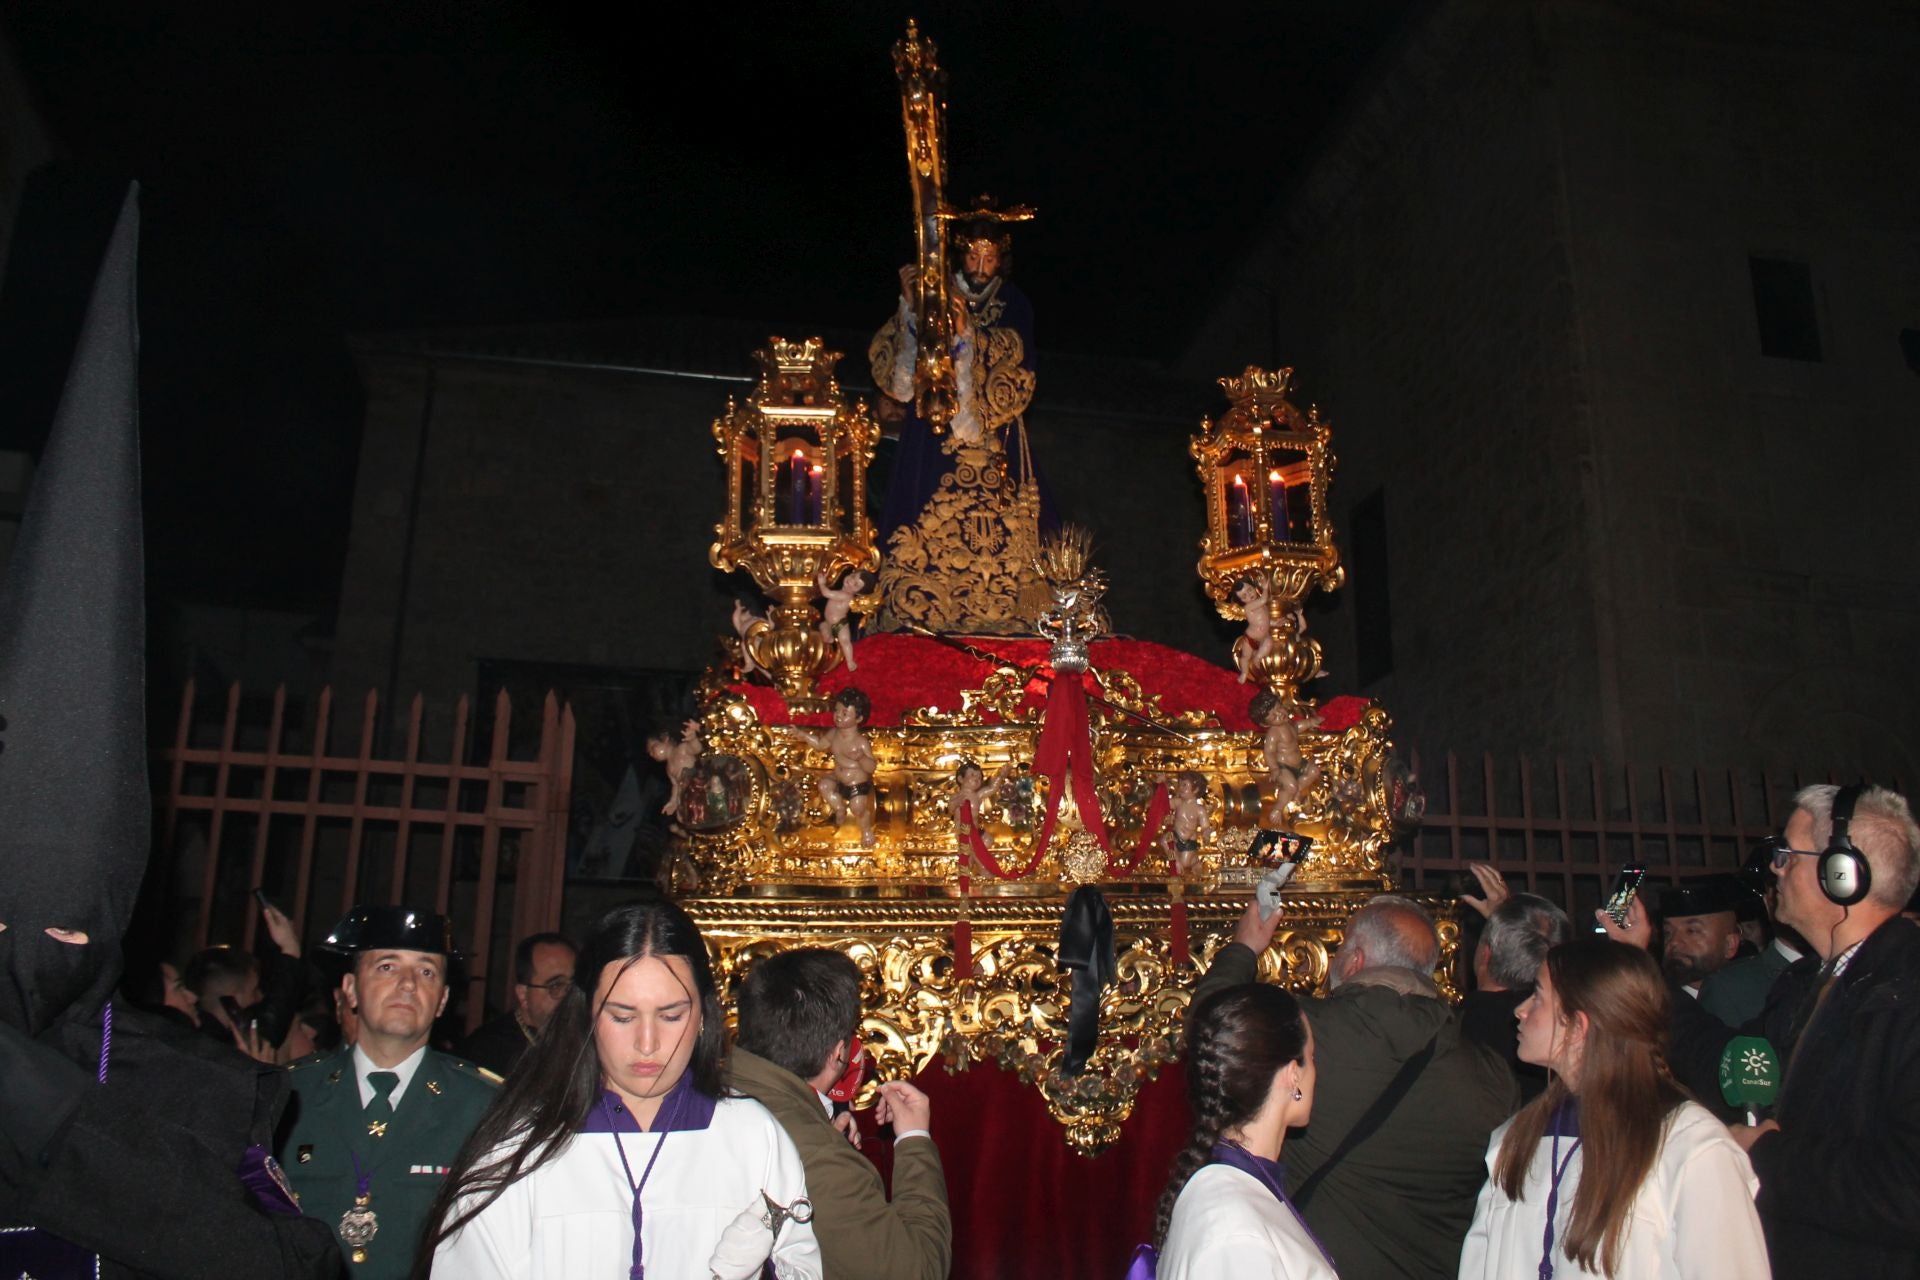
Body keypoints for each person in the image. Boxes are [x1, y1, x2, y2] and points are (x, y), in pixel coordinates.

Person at [420, 891, 820, 1278]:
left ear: (702, 1015)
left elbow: (802, 1264)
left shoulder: (752, 1136)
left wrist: (765, 1272)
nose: (647, 1044)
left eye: (670, 1015)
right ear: (588, 1014)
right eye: (622, 1016)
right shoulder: (519, 1148)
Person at [1199, 894, 1517, 1280]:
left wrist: (1244, 947)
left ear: (1355, 960)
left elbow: (1212, 1027)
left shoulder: (1306, 1035)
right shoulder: (1494, 1077)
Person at [1458, 938, 1767, 1279]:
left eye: (1539, 996)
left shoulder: (1689, 1146)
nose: (1521, 1009)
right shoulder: (1516, 1137)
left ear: (1578, 1026)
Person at [1720, 784, 1920, 1276]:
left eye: (1787, 854)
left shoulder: (1908, 994)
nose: (1775, 867)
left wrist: (1768, 1156)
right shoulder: (1813, 982)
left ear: (1843, 873)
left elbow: (1907, 1190)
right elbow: (1725, 1058)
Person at [278, 906, 497, 1278]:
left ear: (442, 999)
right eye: (387, 967)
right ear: (350, 989)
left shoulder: (485, 1106)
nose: (408, 984)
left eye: (426, 971)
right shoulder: (288, 1095)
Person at [732, 948, 950, 1279]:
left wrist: (819, 1127)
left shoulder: (703, 1089)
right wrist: (914, 1138)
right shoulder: (819, 1158)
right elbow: (916, 1270)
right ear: (838, 1052)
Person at [1149, 983, 1335, 1279]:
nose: (1316, 1071)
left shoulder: (1238, 1193)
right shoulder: (1235, 1232)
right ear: (1293, 1075)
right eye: (1312, 1057)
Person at [1455, 864, 1573, 1101]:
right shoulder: (1561, 1027)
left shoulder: (1456, 1028)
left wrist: (1502, 925)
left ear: (1485, 954)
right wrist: (1507, 923)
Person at [457, 933, 577, 1078]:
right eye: (556, 986)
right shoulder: (488, 1051)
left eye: (574, 984)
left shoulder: (588, 1036)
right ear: (523, 994)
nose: (569, 996)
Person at [796, 687, 878, 848]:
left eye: (845, 713)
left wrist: (861, 758)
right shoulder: (834, 734)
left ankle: (866, 831)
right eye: (837, 711)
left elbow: (871, 767)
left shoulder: (860, 742)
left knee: (858, 809)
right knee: (824, 785)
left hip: (856, 783)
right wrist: (804, 736)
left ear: (859, 718)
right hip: (838, 777)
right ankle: (839, 807)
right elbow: (820, 744)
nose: (838, 716)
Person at [1657, 877, 1748, 998]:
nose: (1674, 942)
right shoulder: (1654, 1008)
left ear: (1730, 944)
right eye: (1667, 932)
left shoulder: (1751, 1001)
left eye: (1692, 931)